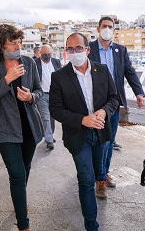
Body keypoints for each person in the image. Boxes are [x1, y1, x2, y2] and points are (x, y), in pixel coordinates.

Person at [49, 33, 119, 231]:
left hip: (101, 133)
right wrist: (82, 120)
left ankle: (101, 180)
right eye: (70, 49)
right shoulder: (59, 77)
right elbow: (55, 110)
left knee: (99, 173)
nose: (74, 52)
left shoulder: (102, 70)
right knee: (86, 179)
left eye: (78, 48)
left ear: (87, 50)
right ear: (66, 52)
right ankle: (91, 226)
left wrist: (104, 112)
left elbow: (114, 98)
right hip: (78, 137)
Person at [0, 24, 43, 231]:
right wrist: (8, 79)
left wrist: (30, 97)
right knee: (16, 174)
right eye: (12, 43)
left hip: (30, 127)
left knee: (24, 171)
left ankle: (19, 202)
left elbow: (39, 91)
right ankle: (23, 223)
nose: (17, 46)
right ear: (1, 45)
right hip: (5, 128)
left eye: (19, 42)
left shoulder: (29, 62)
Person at [88, 16, 145, 195]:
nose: (107, 29)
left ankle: (103, 173)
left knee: (109, 141)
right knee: (98, 140)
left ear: (114, 30)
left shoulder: (120, 50)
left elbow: (129, 72)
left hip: (113, 102)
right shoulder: (90, 49)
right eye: (104, 26)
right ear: (98, 29)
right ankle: (98, 176)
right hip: (94, 103)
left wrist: (139, 93)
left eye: (110, 26)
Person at [35, 44, 62, 150]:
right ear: (40, 54)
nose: (47, 56)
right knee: (45, 117)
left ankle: (49, 134)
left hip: (54, 94)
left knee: (52, 117)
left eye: (49, 54)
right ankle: (49, 140)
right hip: (41, 94)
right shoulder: (35, 63)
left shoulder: (56, 62)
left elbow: (61, 76)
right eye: (45, 54)